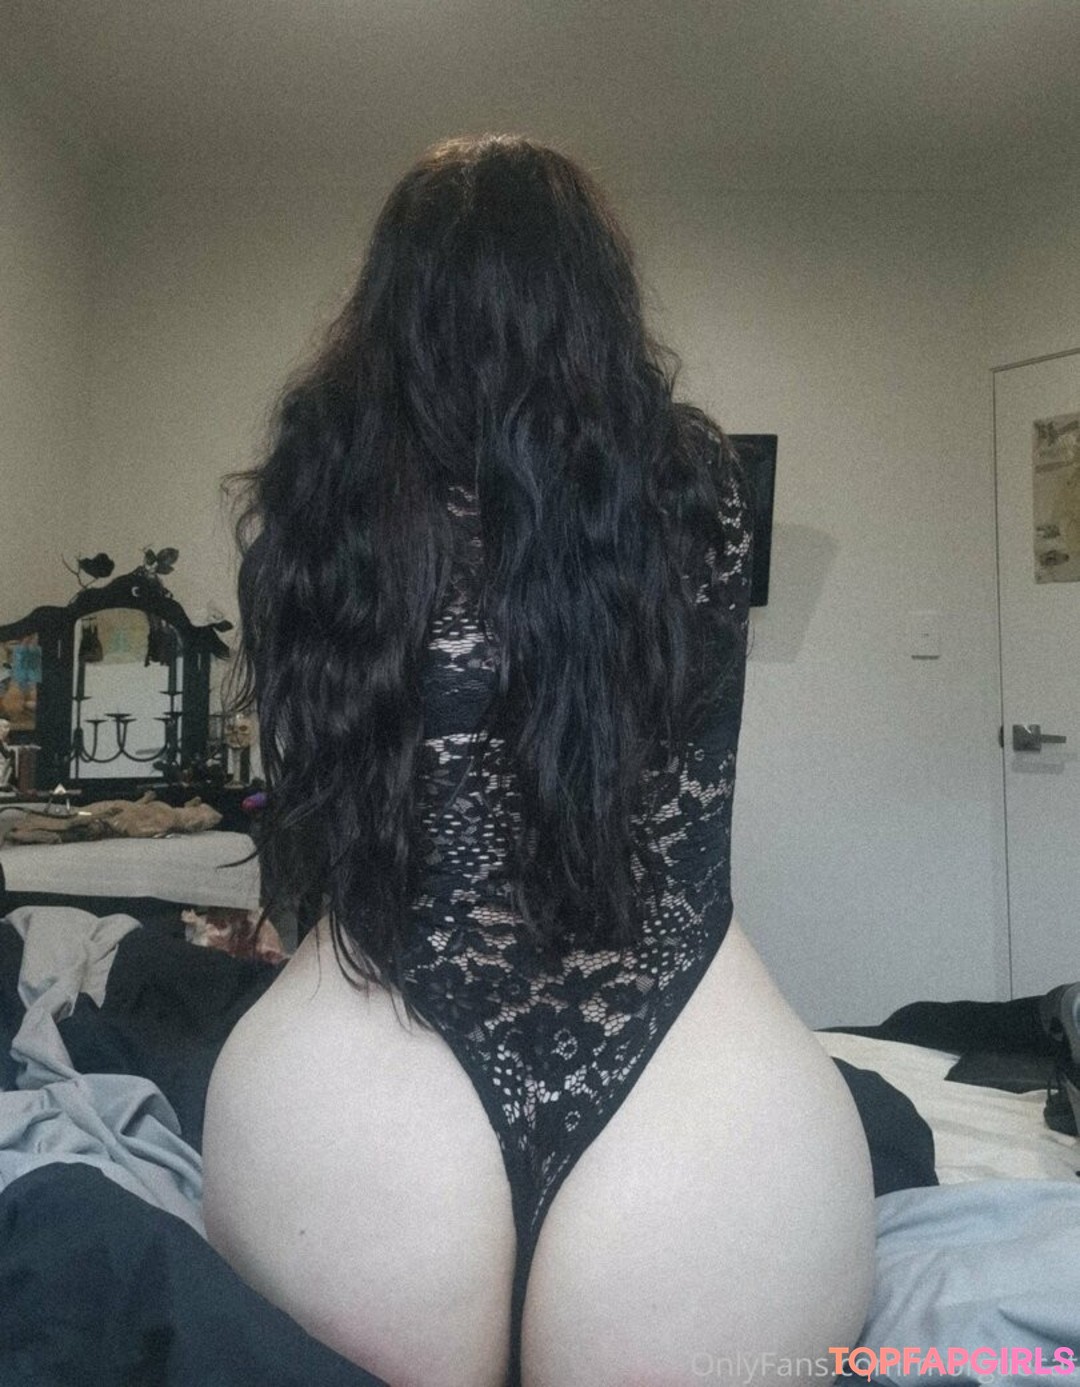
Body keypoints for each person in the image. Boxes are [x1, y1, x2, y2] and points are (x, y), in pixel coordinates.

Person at [202, 135, 875, 1387]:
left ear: (392, 298)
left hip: (358, 1061)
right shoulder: (697, 487)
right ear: (593, 292)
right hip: (693, 1064)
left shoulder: (318, 496)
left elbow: (312, 799)